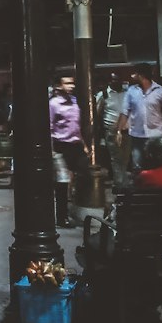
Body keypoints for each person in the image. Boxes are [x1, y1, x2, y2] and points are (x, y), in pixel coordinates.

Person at [48, 71, 92, 228]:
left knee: (86, 174)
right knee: (62, 181)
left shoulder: (74, 101)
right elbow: (49, 127)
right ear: (59, 85)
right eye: (67, 83)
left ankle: (75, 206)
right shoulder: (53, 104)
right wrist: (52, 150)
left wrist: (84, 144)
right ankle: (61, 217)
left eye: (72, 83)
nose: (71, 86)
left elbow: (76, 125)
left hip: (75, 145)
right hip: (60, 146)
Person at [116, 63, 162, 176]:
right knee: (137, 167)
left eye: (135, 73)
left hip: (156, 135)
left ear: (141, 75)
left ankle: (156, 191)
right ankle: (140, 189)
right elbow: (125, 112)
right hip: (137, 136)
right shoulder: (131, 91)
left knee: (157, 165)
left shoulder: (161, 91)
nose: (133, 76)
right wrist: (119, 131)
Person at [94, 70, 128, 192]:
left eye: (118, 79)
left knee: (125, 158)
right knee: (116, 158)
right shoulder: (103, 95)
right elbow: (98, 114)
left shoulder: (127, 93)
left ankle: (123, 181)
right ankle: (120, 184)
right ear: (109, 81)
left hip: (126, 130)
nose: (116, 81)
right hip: (111, 130)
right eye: (114, 79)